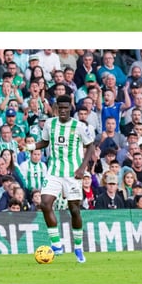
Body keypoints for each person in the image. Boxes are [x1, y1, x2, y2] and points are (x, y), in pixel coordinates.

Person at [33, 97, 96, 262]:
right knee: (45, 203)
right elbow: (45, 142)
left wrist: (83, 168)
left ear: (70, 108)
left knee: (74, 210)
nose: (63, 111)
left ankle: (78, 247)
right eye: (60, 108)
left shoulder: (79, 126)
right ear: (56, 108)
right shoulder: (49, 124)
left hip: (72, 173)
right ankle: (56, 244)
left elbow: (91, 145)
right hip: (54, 171)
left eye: (66, 108)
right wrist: (30, 147)